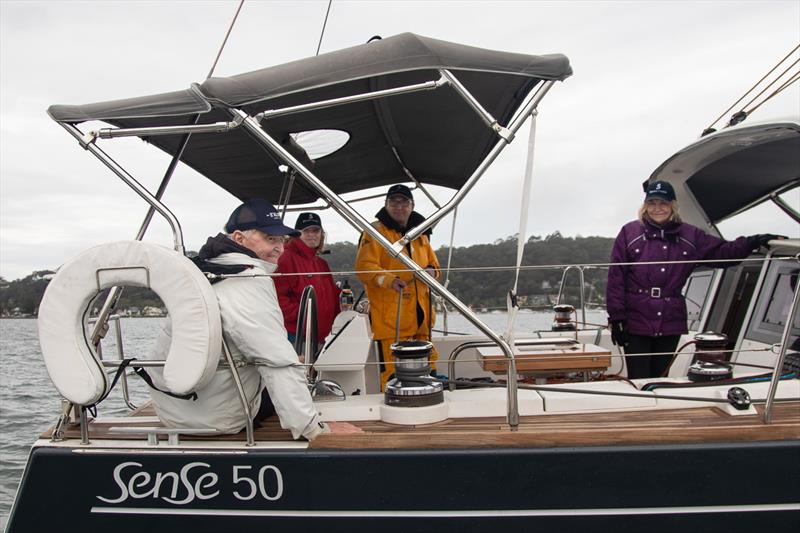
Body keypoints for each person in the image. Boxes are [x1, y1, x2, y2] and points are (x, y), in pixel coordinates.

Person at [145, 198, 328, 440]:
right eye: (269, 238)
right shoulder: (246, 280)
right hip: (217, 417)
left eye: (281, 240)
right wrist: (312, 429)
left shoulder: (205, 269)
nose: (280, 248)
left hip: (176, 409)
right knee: (302, 385)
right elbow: (275, 360)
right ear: (239, 239)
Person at [606, 180, 782, 379]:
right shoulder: (629, 232)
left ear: (673, 205)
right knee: (638, 378)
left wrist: (752, 241)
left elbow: (722, 253)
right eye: (652, 203)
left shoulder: (691, 235)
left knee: (661, 377)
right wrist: (617, 318)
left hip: (670, 318)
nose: (657, 208)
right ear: (645, 205)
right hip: (636, 317)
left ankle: (661, 409)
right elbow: (616, 277)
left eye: (663, 203)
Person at [355, 184, 441, 390]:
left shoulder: (421, 233)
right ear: (386, 205)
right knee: (393, 375)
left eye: (404, 202)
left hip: (422, 319)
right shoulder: (375, 232)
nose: (399, 206)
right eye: (393, 202)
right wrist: (389, 279)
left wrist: (432, 272)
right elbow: (364, 267)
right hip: (391, 321)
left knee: (429, 368)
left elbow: (435, 267)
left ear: (412, 206)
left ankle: (427, 410)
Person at [275, 212, 341, 344]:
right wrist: (302, 317)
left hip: (323, 336)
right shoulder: (285, 257)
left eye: (316, 230)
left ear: (321, 234)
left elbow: (332, 296)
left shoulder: (321, 263)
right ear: (297, 234)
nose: (312, 235)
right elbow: (277, 295)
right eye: (306, 231)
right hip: (297, 335)